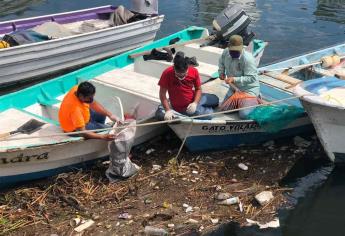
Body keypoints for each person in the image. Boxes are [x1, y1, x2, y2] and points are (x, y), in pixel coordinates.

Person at [156, 52, 219, 120]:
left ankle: (200, 106)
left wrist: (195, 103)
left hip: (194, 98)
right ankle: (201, 108)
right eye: (179, 75)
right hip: (183, 108)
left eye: (184, 74)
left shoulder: (194, 71)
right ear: (174, 68)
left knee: (216, 100)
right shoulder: (167, 73)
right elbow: (162, 94)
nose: (182, 76)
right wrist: (167, 110)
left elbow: (198, 89)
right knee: (210, 115)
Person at [218, 35, 261, 118]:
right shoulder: (226, 52)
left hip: (248, 90)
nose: (234, 53)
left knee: (244, 114)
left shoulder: (248, 59)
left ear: (241, 48)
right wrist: (221, 72)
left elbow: (252, 78)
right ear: (229, 47)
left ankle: (255, 98)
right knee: (224, 109)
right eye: (232, 51)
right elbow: (221, 62)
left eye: (237, 51)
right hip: (234, 88)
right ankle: (242, 103)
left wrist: (234, 79)